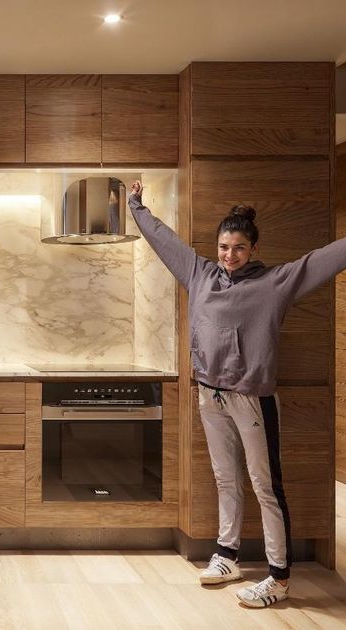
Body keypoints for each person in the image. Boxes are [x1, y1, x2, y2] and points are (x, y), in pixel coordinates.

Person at [128, 180, 346, 608]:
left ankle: (279, 577)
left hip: (252, 399)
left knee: (266, 486)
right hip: (210, 395)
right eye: (224, 247)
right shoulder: (200, 274)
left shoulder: (277, 282)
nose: (230, 255)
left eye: (239, 248)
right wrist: (136, 206)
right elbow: (164, 240)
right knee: (225, 478)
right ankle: (227, 555)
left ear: (253, 248)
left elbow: (325, 259)